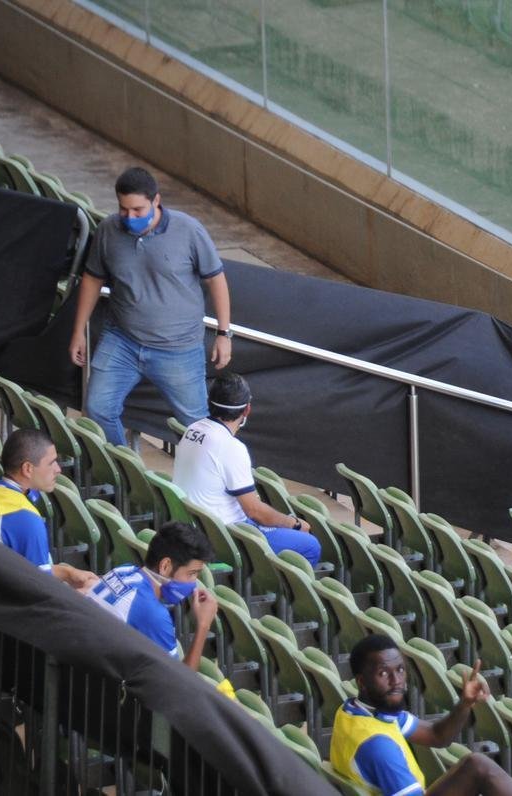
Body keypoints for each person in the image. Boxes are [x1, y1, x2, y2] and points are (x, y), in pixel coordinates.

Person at [68, 166, 233, 446]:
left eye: (137, 210)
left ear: (156, 201)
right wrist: (77, 331)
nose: (129, 217)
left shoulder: (188, 230)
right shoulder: (109, 229)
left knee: (198, 426)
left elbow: (216, 279)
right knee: (97, 408)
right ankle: (125, 472)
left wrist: (223, 333)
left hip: (178, 348)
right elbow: (92, 279)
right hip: (122, 340)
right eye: (124, 210)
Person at [332, 634, 512, 796]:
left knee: (476, 764)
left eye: (400, 670)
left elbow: (437, 736)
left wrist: (465, 703)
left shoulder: (355, 711)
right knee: (482, 770)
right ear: (362, 682)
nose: (397, 681)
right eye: (384, 674)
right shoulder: (379, 746)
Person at [172, 372, 321, 566]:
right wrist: (295, 523)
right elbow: (254, 511)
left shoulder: (193, 429)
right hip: (225, 536)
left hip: (193, 527)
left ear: (210, 402)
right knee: (310, 545)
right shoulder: (231, 447)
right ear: (247, 410)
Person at [0, 428, 98, 591]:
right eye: (51, 463)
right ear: (28, 469)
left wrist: (67, 572)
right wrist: (83, 596)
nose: (58, 469)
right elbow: (38, 590)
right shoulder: (25, 519)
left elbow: (30, 569)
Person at [86, 521, 218, 671]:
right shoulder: (152, 614)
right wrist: (203, 625)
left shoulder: (123, 571)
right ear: (165, 566)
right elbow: (181, 685)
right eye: (192, 573)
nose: (194, 583)